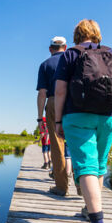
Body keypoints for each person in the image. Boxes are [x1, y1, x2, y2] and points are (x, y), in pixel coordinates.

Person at [54, 19, 112, 223]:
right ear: (97, 34)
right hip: (111, 117)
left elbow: (60, 91)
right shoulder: (111, 53)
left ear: (77, 35)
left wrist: (58, 121)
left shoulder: (70, 54)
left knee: (86, 165)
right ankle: (90, 209)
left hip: (78, 116)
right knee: (98, 164)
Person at [36, 36, 70, 196]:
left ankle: (62, 187)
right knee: (78, 143)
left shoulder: (45, 65)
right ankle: (82, 186)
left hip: (53, 102)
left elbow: (42, 93)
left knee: (57, 145)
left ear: (50, 49)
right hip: (73, 102)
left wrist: (39, 117)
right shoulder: (74, 60)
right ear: (66, 47)